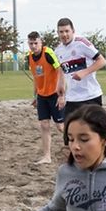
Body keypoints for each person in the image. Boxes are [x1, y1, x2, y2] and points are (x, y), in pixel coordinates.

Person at [26, 31, 66, 164]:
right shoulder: (29, 57)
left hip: (54, 94)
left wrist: (61, 94)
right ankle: (47, 157)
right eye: (31, 43)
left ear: (41, 42)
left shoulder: (48, 53)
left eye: (35, 43)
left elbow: (60, 70)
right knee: (44, 125)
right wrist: (35, 96)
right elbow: (36, 78)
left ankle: (77, 147)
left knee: (60, 127)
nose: (33, 46)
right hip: (42, 96)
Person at [55, 17, 106, 113]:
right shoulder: (58, 50)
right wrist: (60, 86)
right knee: (69, 123)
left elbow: (102, 61)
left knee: (91, 123)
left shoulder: (81, 43)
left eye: (67, 31)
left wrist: (84, 72)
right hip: (72, 98)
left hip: (90, 96)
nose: (64, 34)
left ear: (73, 31)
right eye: (61, 32)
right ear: (58, 33)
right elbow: (62, 69)